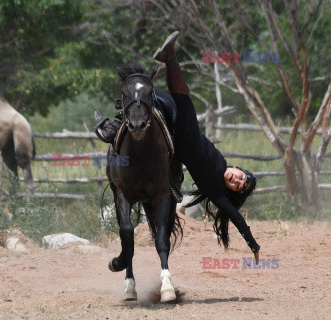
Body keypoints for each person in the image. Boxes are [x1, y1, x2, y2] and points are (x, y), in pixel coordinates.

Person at [94, 31, 260, 259]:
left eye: (238, 186)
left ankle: (169, 57)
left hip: (189, 140)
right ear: (238, 169)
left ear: (232, 192)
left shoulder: (216, 192)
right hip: (182, 146)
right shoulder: (223, 165)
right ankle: (123, 118)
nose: (236, 180)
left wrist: (254, 245)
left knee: (183, 99)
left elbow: (237, 218)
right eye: (241, 177)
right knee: (165, 102)